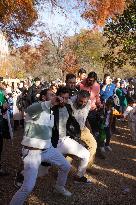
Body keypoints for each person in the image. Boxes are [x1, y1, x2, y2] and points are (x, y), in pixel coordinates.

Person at [10, 90, 72, 205]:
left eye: (55, 95)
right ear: (43, 97)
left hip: (48, 149)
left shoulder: (51, 111)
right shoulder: (35, 108)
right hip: (32, 152)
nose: (55, 97)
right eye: (51, 95)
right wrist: (51, 102)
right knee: (28, 187)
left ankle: (59, 187)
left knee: (66, 166)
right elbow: (30, 110)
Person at [52, 87, 91, 183]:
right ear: (57, 97)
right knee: (38, 164)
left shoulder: (68, 107)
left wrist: (77, 138)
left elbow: (73, 123)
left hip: (64, 140)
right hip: (51, 141)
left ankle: (78, 177)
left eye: (66, 98)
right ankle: (22, 176)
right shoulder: (50, 108)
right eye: (62, 98)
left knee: (86, 154)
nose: (63, 101)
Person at [69, 90, 97, 168]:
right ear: (77, 97)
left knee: (93, 145)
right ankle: (63, 169)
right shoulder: (69, 103)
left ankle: (85, 167)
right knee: (70, 150)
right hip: (71, 130)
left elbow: (85, 117)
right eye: (81, 101)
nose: (83, 104)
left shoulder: (88, 103)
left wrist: (89, 129)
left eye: (85, 102)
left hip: (83, 129)